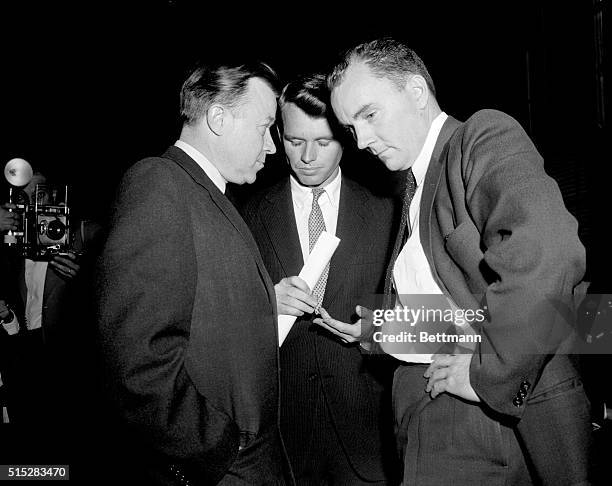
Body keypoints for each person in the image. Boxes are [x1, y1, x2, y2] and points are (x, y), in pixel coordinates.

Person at [321, 38, 592, 485]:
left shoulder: (479, 136)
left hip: (478, 421)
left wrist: (490, 374)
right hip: (436, 412)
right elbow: (466, 308)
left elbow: (549, 253)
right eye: (352, 128)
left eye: (369, 115)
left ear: (416, 91)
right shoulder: (412, 187)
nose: (362, 140)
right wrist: (388, 330)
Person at [94, 59, 290, 486]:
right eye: (264, 126)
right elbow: (139, 364)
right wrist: (221, 447)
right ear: (218, 118)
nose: (273, 146)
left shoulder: (206, 194)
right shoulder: (159, 183)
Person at [243, 74, 399, 484]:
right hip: (281, 437)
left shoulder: (387, 215)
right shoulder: (245, 218)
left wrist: (375, 331)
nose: (308, 156)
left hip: (366, 436)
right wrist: (264, 306)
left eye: (324, 142)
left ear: (347, 138)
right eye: (295, 141)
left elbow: (415, 317)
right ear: (278, 134)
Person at [0, 170, 88, 463]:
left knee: (59, 442)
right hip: (23, 347)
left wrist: (82, 275)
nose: (33, 203)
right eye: (24, 197)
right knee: (27, 440)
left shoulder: (82, 235)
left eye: (39, 194)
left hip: (64, 354)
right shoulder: (12, 241)